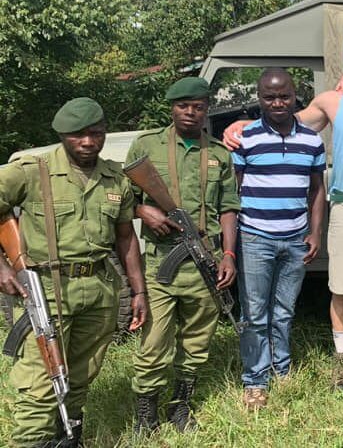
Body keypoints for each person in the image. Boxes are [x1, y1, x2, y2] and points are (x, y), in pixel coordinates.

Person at [225, 28, 343, 398]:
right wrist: (242, 127)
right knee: (342, 289)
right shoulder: (333, 100)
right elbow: (288, 120)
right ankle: (342, 360)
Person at [0, 98, 148, 447]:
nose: (87, 142)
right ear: (62, 136)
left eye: (95, 134)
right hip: (46, 289)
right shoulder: (31, 170)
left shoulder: (115, 178)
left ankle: (68, 437)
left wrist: (139, 291)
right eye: (77, 135)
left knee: (80, 376)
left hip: (100, 288)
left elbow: (126, 238)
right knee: (40, 382)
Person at [127, 78, 240, 433]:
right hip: (161, 262)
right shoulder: (147, 147)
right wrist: (144, 212)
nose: (191, 113)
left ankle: (181, 405)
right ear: (171, 107)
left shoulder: (219, 153)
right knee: (154, 343)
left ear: (207, 109)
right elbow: (119, 196)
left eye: (199, 107)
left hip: (204, 259)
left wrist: (229, 254)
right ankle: (147, 413)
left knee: (196, 342)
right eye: (183, 106)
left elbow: (229, 208)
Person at [231, 69, 326, 410]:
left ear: (294, 95)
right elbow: (234, 191)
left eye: (283, 96)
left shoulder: (312, 141)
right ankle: (255, 380)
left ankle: (280, 369)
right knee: (255, 312)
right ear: (259, 99)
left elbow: (318, 191)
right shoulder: (246, 138)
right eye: (269, 97)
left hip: (296, 238)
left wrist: (315, 232)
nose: (277, 103)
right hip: (255, 238)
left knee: (284, 311)